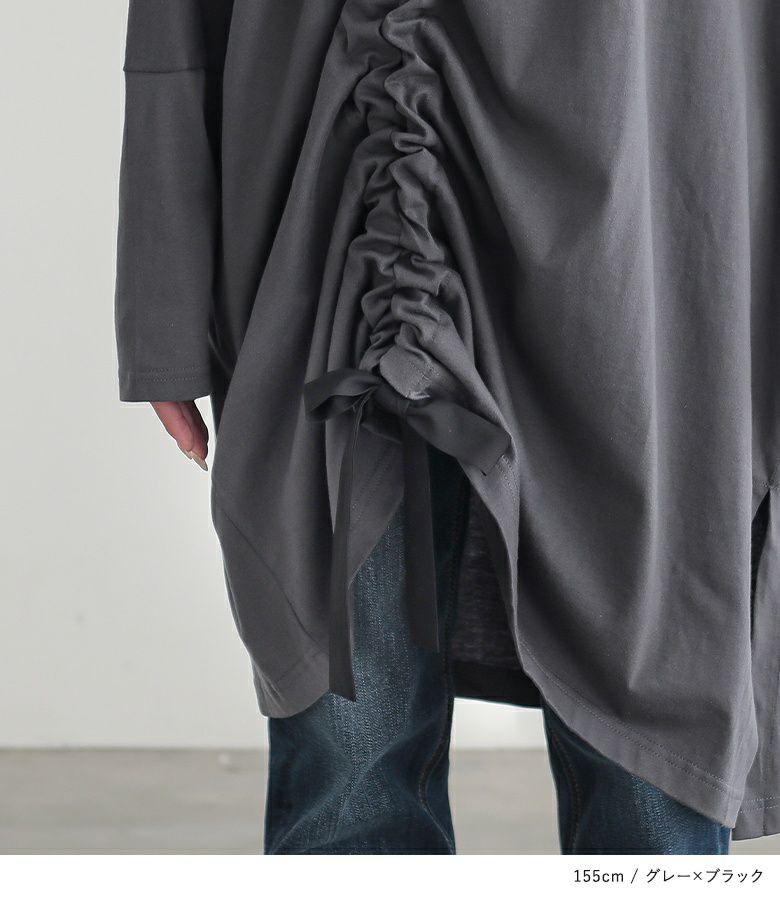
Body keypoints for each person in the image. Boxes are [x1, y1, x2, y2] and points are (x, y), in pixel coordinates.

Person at [115, 0, 780, 854]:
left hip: (646, 194)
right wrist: (165, 303)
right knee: (350, 751)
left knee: (652, 752)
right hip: (330, 206)